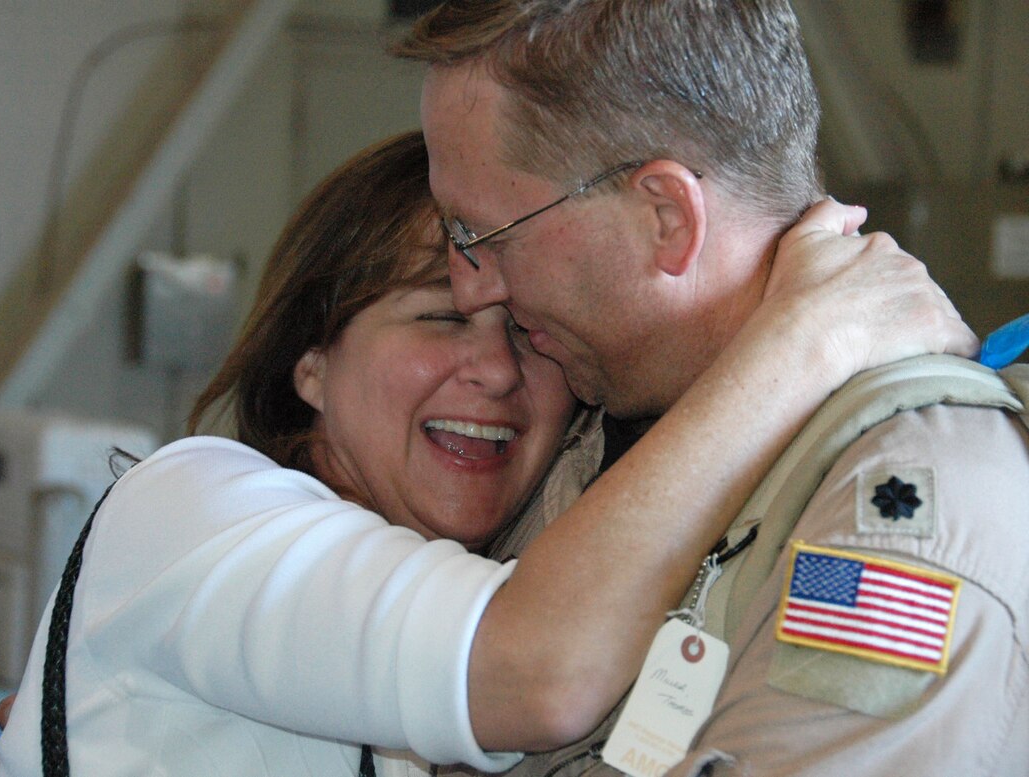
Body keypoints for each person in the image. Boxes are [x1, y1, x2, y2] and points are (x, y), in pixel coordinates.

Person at [0, 121, 974, 777]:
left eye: (529, 335)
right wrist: (804, 339)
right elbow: (533, 672)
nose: (494, 372)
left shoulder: (500, 577)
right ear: (309, 363)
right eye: (437, 319)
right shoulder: (190, 506)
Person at [395, 1, 1027, 774]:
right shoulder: (580, 418)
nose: (470, 290)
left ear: (666, 216)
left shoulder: (904, 508)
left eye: (483, 236)